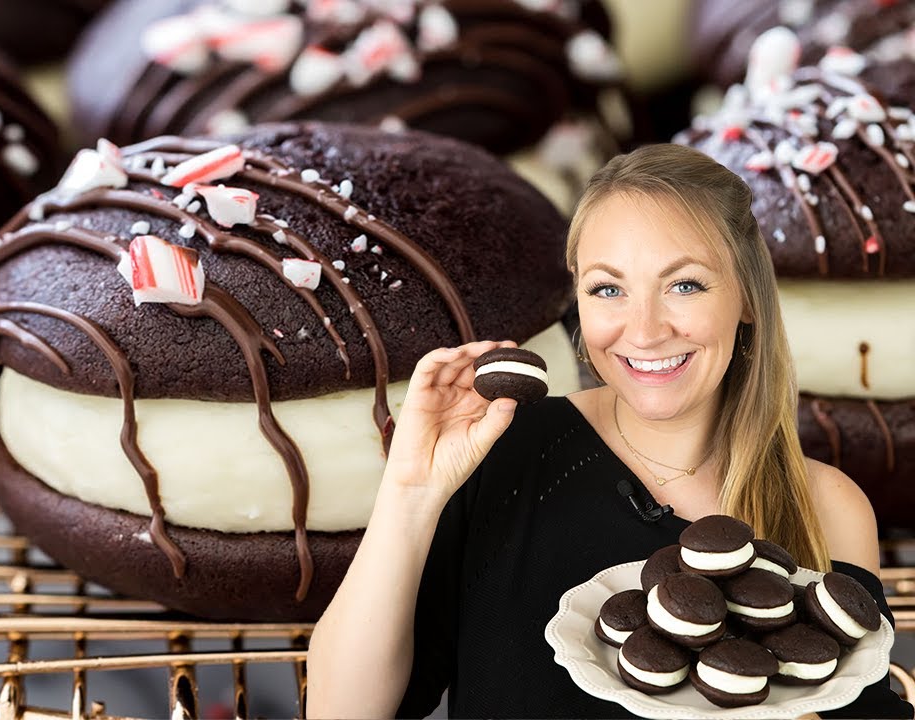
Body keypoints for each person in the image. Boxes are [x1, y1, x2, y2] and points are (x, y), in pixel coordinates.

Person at [305, 143, 914, 719]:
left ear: (747, 298)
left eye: (685, 285)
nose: (644, 331)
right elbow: (340, 710)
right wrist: (412, 489)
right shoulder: (501, 450)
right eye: (608, 289)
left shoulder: (825, 506)